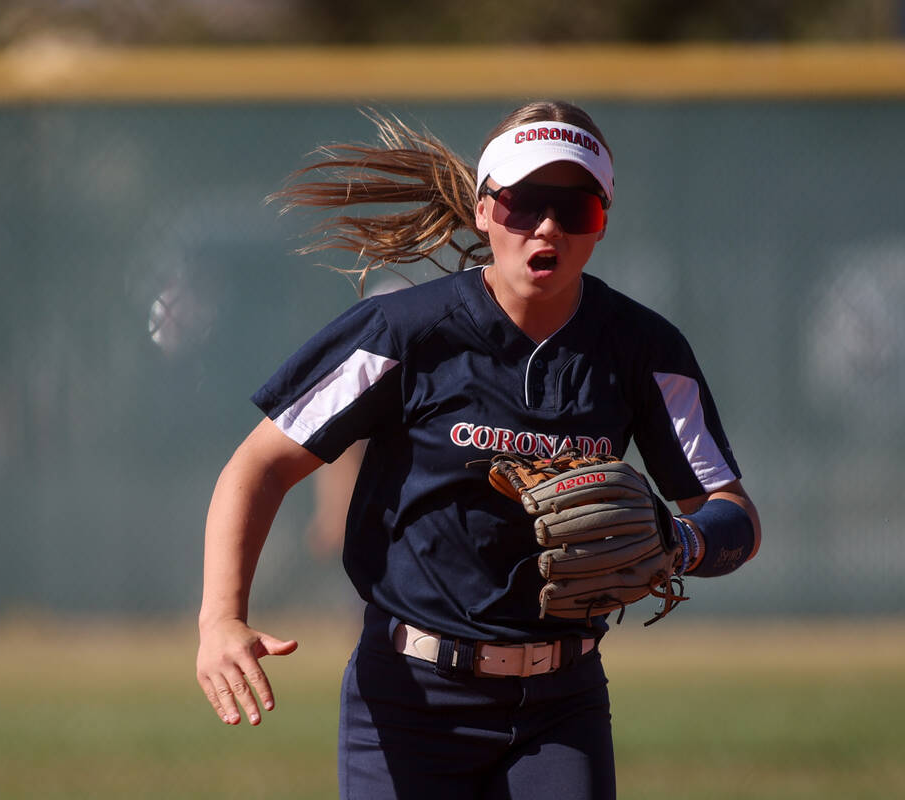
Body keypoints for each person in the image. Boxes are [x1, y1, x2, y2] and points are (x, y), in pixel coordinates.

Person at [195, 100, 761, 799]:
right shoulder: (405, 334)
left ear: (602, 222)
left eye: (574, 207)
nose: (547, 225)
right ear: (485, 212)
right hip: (412, 701)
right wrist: (221, 619)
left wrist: (682, 544)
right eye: (524, 203)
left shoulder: (643, 350)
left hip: (563, 706)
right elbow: (259, 467)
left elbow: (734, 514)